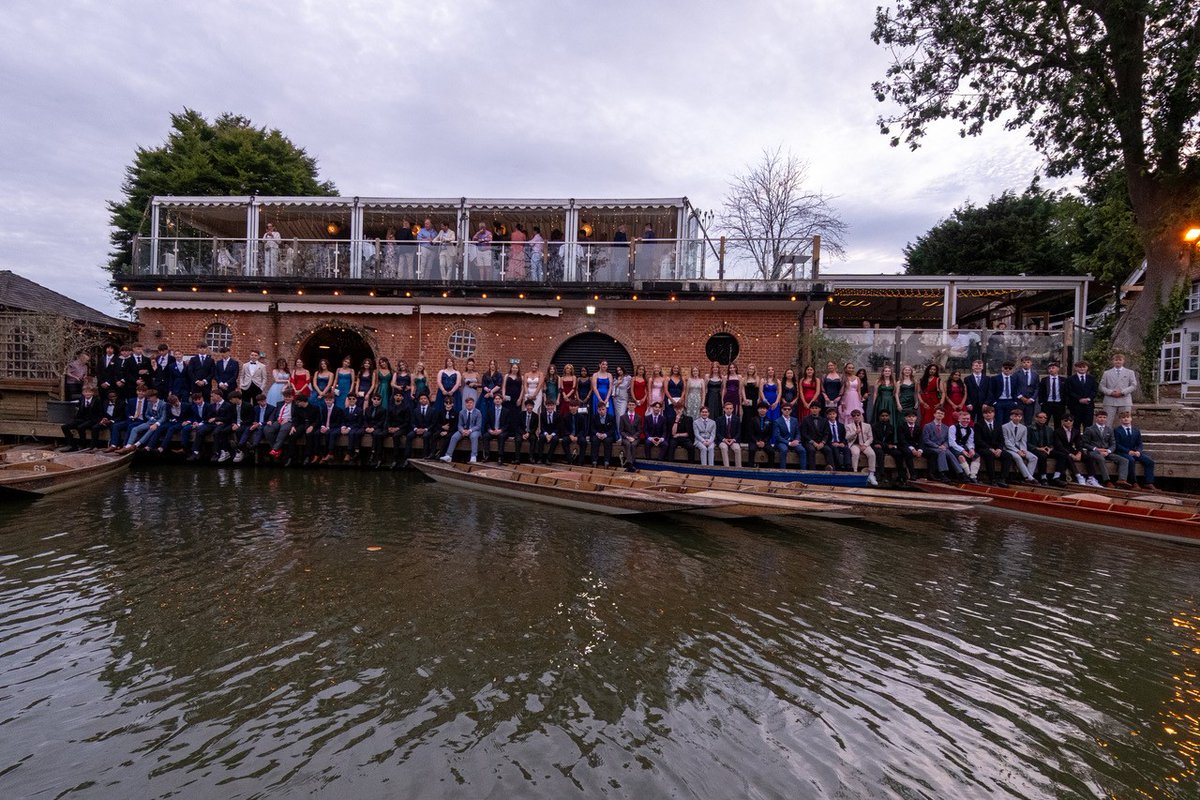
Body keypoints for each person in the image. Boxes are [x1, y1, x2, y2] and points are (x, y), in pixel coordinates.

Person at [1081, 409, 1126, 487]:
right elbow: (1084, 443)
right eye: (1100, 417)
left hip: (1106, 451)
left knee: (1124, 460)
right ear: (1096, 418)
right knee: (1101, 458)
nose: (1102, 419)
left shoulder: (1109, 429)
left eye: (1104, 417)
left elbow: (1113, 444)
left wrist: (1108, 451)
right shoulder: (1089, 429)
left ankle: (1122, 480)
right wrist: (1096, 449)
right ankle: (1107, 480)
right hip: (1094, 452)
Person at [1114, 410, 1156, 490]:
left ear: (1131, 419)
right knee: (1131, 460)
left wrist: (1138, 451)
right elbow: (1117, 444)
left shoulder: (1136, 430)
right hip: (1123, 452)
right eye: (1123, 418)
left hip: (1135, 452)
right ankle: (1134, 482)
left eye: (1127, 417)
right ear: (1120, 420)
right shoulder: (1117, 430)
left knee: (1149, 461)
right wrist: (1128, 451)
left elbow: (1139, 443)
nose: (1126, 419)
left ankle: (1148, 482)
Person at [920, 407, 964, 481]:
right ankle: (943, 473)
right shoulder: (927, 426)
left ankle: (960, 473)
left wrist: (945, 445)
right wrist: (937, 446)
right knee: (942, 452)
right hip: (931, 447)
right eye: (938, 413)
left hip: (942, 447)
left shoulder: (946, 428)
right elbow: (926, 440)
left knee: (950, 453)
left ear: (944, 416)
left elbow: (947, 440)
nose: (940, 415)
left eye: (942, 414)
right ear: (934, 414)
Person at [1002, 407, 1039, 483]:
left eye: (1019, 416)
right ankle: (1029, 477)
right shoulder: (1004, 427)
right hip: (1009, 448)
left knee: (1034, 457)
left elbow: (1023, 441)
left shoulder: (1024, 428)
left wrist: (1023, 450)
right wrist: (1017, 451)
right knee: (1018, 458)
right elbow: (1006, 442)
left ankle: (1028, 477)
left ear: (1021, 417)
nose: (1017, 418)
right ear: (1011, 417)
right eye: (1015, 416)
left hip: (1020, 448)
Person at [441, 395, 482, 463]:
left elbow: (478, 426)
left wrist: (469, 430)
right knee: (454, 436)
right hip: (463, 430)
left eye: (471, 403)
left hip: (474, 430)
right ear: (465, 404)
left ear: (473, 404)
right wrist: (462, 430)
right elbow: (459, 425)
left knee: (474, 436)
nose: (469, 404)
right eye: (467, 403)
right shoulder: (462, 412)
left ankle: (473, 456)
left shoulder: (478, 412)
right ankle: (448, 456)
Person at [872, 408, 907, 484]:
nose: (884, 417)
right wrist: (886, 445)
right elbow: (874, 440)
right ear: (879, 417)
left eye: (886, 416)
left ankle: (901, 476)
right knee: (880, 453)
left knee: (898, 454)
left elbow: (890, 440)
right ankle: (882, 475)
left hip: (886, 446)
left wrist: (890, 446)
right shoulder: (874, 426)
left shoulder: (891, 427)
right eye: (882, 416)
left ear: (889, 417)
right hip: (877, 446)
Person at [237, 392, 275, 463]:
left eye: (264, 400)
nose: (263, 402)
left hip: (265, 425)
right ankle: (241, 444)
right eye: (261, 401)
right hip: (256, 424)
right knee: (248, 428)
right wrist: (254, 422)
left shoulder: (272, 408)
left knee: (260, 429)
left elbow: (270, 420)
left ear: (266, 400)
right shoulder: (255, 408)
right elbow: (253, 418)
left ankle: (254, 445)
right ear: (258, 402)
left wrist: (259, 424)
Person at [62, 385, 102, 450]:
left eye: (89, 392)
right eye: (85, 392)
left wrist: (97, 421)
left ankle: (83, 445)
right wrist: (75, 420)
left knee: (80, 427)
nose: (87, 394)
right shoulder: (81, 399)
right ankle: (72, 445)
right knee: (64, 427)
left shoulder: (97, 400)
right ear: (83, 393)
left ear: (93, 393)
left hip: (92, 419)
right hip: (82, 419)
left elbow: (99, 413)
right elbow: (79, 411)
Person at [1100, 353, 1137, 420]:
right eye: (1116, 360)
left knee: (1125, 421)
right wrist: (1111, 392)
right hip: (1110, 400)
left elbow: (1133, 385)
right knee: (1107, 423)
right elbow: (1101, 386)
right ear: (1112, 361)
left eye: (1120, 360)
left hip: (1125, 400)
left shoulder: (1130, 372)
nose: (1118, 361)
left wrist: (1122, 392)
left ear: (1123, 361)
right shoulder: (1106, 373)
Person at [1051, 415, 1086, 486]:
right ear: (1062, 421)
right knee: (1066, 456)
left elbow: (1079, 444)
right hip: (1059, 450)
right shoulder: (1057, 431)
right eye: (1066, 420)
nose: (1068, 422)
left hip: (1070, 449)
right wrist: (1071, 455)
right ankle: (1078, 475)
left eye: (1070, 420)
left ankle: (1091, 477)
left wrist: (1079, 453)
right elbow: (1059, 446)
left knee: (1088, 457)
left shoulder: (1076, 431)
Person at [847, 408, 878, 485]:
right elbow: (847, 438)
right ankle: (855, 472)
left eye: (858, 415)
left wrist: (865, 445)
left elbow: (871, 437)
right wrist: (855, 433)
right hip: (854, 444)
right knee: (855, 453)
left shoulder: (867, 425)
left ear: (861, 416)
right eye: (854, 416)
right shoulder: (849, 426)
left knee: (872, 454)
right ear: (852, 417)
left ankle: (871, 474)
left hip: (864, 444)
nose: (856, 417)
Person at [947, 410, 980, 482]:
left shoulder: (970, 429)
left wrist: (971, 449)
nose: (966, 420)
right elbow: (952, 442)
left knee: (976, 456)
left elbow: (970, 442)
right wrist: (962, 450)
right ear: (959, 419)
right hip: (954, 447)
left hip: (964, 447)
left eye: (967, 419)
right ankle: (967, 475)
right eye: (964, 419)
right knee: (961, 457)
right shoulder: (953, 427)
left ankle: (973, 476)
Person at [481, 393, 514, 463]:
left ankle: (500, 457)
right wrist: (490, 430)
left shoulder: (506, 411)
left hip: (502, 431)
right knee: (485, 436)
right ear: (494, 401)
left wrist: (500, 430)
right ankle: (486, 456)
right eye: (496, 399)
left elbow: (508, 424)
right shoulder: (490, 410)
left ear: (502, 400)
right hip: (492, 430)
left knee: (501, 437)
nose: (497, 400)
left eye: (499, 399)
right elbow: (487, 423)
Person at [1065, 360, 1098, 428]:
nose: (1082, 368)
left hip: (1088, 406)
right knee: (1075, 425)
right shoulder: (1070, 379)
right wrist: (1079, 399)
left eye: (1084, 367)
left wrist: (1088, 399)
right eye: (1080, 367)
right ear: (1076, 368)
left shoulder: (1092, 378)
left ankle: (1087, 439)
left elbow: (1094, 390)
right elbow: (1069, 391)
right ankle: (1076, 438)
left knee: (1088, 426)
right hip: (1075, 406)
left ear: (1087, 368)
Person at [405, 393, 436, 464]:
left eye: (425, 398)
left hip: (427, 429)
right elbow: (412, 422)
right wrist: (416, 429)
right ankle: (407, 457)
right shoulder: (415, 410)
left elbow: (433, 423)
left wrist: (425, 429)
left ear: (427, 400)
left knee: (426, 436)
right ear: (419, 400)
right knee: (409, 436)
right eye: (421, 399)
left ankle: (425, 456)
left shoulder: (432, 410)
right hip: (417, 429)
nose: (423, 400)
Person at [773, 402, 805, 470]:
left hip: (793, 441)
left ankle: (803, 471)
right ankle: (783, 471)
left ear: (791, 410)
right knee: (784, 449)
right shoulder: (777, 421)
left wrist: (797, 440)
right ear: (781, 410)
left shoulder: (795, 420)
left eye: (788, 409)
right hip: (782, 442)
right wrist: (789, 443)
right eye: (785, 409)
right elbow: (777, 436)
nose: (787, 410)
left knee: (802, 450)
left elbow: (798, 433)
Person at [1027, 410, 1055, 484]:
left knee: (1062, 455)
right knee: (1042, 455)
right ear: (1036, 418)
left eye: (1045, 418)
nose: (1043, 419)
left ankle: (1057, 476)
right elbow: (1026, 443)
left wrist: (1050, 448)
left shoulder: (1049, 429)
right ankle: (1043, 476)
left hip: (1046, 449)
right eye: (1041, 417)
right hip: (1035, 449)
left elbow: (1052, 442)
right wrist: (1038, 448)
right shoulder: (1029, 428)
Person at [897, 408, 925, 481]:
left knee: (932, 453)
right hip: (904, 445)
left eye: (913, 417)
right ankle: (912, 474)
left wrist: (920, 450)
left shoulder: (918, 427)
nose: (911, 418)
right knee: (908, 453)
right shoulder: (901, 427)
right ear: (905, 418)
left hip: (916, 447)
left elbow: (921, 440)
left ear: (916, 418)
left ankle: (933, 474)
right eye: (909, 417)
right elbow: (902, 440)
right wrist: (912, 449)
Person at [822, 406, 852, 471]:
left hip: (839, 443)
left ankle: (848, 465)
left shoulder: (841, 425)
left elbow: (844, 436)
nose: (832, 415)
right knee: (835, 449)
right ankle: (839, 465)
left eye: (833, 414)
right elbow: (825, 436)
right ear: (827, 416)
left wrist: (843, 443)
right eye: (830, 414)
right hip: (831, 443)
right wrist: (832, 443)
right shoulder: (825, 425)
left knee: (847, 449)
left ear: (836, 414)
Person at [1038, 361, 1066, 428]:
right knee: (1044, 422)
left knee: (1058, 422)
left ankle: (1057, 437)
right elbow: (1041, 391)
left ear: (1058, 369)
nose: (1051, 369)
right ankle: (1045, 437)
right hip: (1047, 403)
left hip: (1059, 403)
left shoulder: (1063, 380)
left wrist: (1065, 402)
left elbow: (1066, 392)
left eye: (1053, 368)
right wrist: (1041, 402)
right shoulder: (1044, 380)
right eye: (1049, 368)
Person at [361, 393, 386, 467]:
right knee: (358, 433)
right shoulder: (367, 409)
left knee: (377, 434)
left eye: (378, 399)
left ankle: (375, 454)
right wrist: (367, 427)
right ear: (372, 400)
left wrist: (373, 428)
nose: (376, 401)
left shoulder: (383, 410)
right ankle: (357, 453)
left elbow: (381, 421)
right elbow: (365, 420)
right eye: (374, 399)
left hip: (376, 427)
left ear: (380, 401)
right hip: (368, 427)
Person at [716, 400, 743, 468]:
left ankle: (738, 468)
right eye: (727, 408)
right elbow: (717, 432)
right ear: (724, 409)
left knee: (737, 448)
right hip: (723, 440)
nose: (729, 410)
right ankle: (727, 468)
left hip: (733, 440)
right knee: (724, 448)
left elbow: (739, 432)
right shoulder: (719, 419)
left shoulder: (736, 419)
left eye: (730, 408)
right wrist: (724, 439)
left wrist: (733, 440)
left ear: (733, 409)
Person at [562, 400, 590, 465]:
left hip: (578, 435)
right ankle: (570, 460)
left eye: (575, 406)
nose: (573, 408)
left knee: (583, 442)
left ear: (577, 407)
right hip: (569, 435)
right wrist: (570, 435)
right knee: (564, 441)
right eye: (571, 406)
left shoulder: (581, 417)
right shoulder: (566, 416)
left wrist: (577, 436)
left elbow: (583, 429)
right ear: (569, 407)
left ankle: (580, 461)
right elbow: (564, 429)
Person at [618, 400, 643, 472]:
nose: (631, 406)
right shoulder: (623, 417)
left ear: (635, 406)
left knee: (633, 444)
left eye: (632, 405)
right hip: (626, 437)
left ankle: (629, 464)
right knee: (628, 444)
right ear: (627, 406)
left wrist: (634, 437)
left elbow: (639, 430)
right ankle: (631, 465)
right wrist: (627, 437)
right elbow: (621, 430)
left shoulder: (638, 417)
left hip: (635, 438)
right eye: (630, 405)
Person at [1014, 355, 1039, 425]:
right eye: (1024, 362)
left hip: (1030, 402)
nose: (1026, 364)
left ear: (1031, 363)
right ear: (1021, 363)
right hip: (1020, 401)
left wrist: (1032, 399)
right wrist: (1021, 397)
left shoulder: (1035, 375)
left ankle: (1028, 435)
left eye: (1028, 362)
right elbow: (1014, 387)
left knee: (1029, 421)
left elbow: (1037, 388)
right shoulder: (1016, 374)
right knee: (1017, 420)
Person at [964, 359, 991, 424]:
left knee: (982, 422)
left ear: (982, 367)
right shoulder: (967, 379)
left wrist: (986, 403)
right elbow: (965, 392)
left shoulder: (987, 379)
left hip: (983, 404)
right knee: (970, 421)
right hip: (971, 404)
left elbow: (990, 392)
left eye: (980, 366)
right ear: (972, 367)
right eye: (976, 365)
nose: (978, 367)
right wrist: (968, 403)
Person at [433, 395, 459, 460]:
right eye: (446, 403)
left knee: (448, 437)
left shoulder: (455, 413)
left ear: (452, 404)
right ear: (444, 403)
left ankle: (441, 454)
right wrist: (442, 427)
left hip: (451, 431)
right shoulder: (440, 412)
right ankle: (432, 453)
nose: (448, 404)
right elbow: (436, 423)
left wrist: (447, 432)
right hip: (442, 429)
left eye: (450, 403)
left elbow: (456, 426)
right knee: (434, 435)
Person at [591, 401, 616, 467]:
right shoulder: (594, 417)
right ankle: (594, 461)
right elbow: (592, 428)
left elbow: (613, 429)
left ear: (606, 410)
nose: (601, 411)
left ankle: (607, 461)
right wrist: (597, 434)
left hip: (607, 435)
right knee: (594, 440)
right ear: (597, 410)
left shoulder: (611, 417)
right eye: (600, 410)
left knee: (608, 441)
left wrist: (605, 435)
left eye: (603, 409)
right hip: (598, 434)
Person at [515, 398, 540, 464]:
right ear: (526, 406)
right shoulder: (521, 414)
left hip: (530, 432)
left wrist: (528, 433)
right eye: (528, 406)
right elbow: (518, 426)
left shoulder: (536, 416)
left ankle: (531, 457)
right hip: (521, 432)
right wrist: (523, 434)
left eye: (531, 406)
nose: (529, 407)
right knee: (518, 440)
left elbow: (535, 427)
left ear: (533, 406)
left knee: (533, 439)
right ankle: (517, 458)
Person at [537, 399, 560, 464]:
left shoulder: (557, 415)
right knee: (541, 438)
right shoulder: (542, 414)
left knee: (555, 439)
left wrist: (551, 435)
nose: (550, 407)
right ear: (546, 406)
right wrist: (546, 434)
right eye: (548, 406)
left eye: (551, 405)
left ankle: (548, 458)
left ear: (554, 406)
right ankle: (540, 458)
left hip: (554, 433)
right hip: (545, 432)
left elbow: (558, 428)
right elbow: (542, 426)